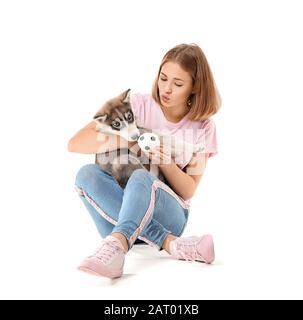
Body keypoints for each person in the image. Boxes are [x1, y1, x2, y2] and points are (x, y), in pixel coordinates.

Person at [68, 43, 221, 279]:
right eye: (163, 78)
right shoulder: (138, 105)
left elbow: (188, 190)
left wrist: (166, 162)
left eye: (178, 84)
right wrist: (126, 140)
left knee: (141, 177)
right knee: (86, 174)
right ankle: (170, 244)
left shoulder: (203, 126)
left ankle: (118, 245)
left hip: (170, 215)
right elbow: (76, 142)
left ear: (194, 87)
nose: (166, 89)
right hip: (119, 214)